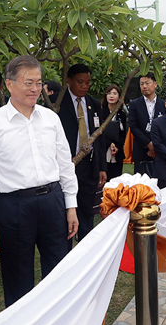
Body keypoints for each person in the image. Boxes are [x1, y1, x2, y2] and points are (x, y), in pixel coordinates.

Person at [0, 55, 79, 306]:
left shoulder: (50, 118)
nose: (35, 89)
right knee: (18, 278)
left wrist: (70, 206)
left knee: (60, 272)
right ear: (9, 85)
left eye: (38, 83)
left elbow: (65, 164)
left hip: (53, 201)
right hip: (14, 207)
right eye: (28, 82)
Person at [57, 64, 107, 241]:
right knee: (65, 209)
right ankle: (66, 248)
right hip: (65, 164)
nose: (84, 86)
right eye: (80, 82)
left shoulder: (93, 104)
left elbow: (99, 137)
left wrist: (101, 167)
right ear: (69, 81)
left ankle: (86, 245)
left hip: (89, 165)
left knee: (86, 210)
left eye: (87, 82)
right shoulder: (58, 103)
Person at [128, 72, 166, 175]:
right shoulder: (134, 104)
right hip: (141, 149)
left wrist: (155, 146)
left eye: (147, 83)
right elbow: (133, 126)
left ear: (155, 84)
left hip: (160, 151)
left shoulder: (164, 105)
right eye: (141, 84)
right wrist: (148, 144)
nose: (144, 86)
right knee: (140, 185)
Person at [101, 84, 127, 180]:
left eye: (114, 93)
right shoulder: (100, 112)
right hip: (104, 150)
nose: (111, 96)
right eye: (109, 93)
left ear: (119, 97)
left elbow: (122, 134)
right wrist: (110, 143)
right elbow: (99, 132)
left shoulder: (122, 115)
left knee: (116, 180)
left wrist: (117, 146)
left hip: (117, 153)